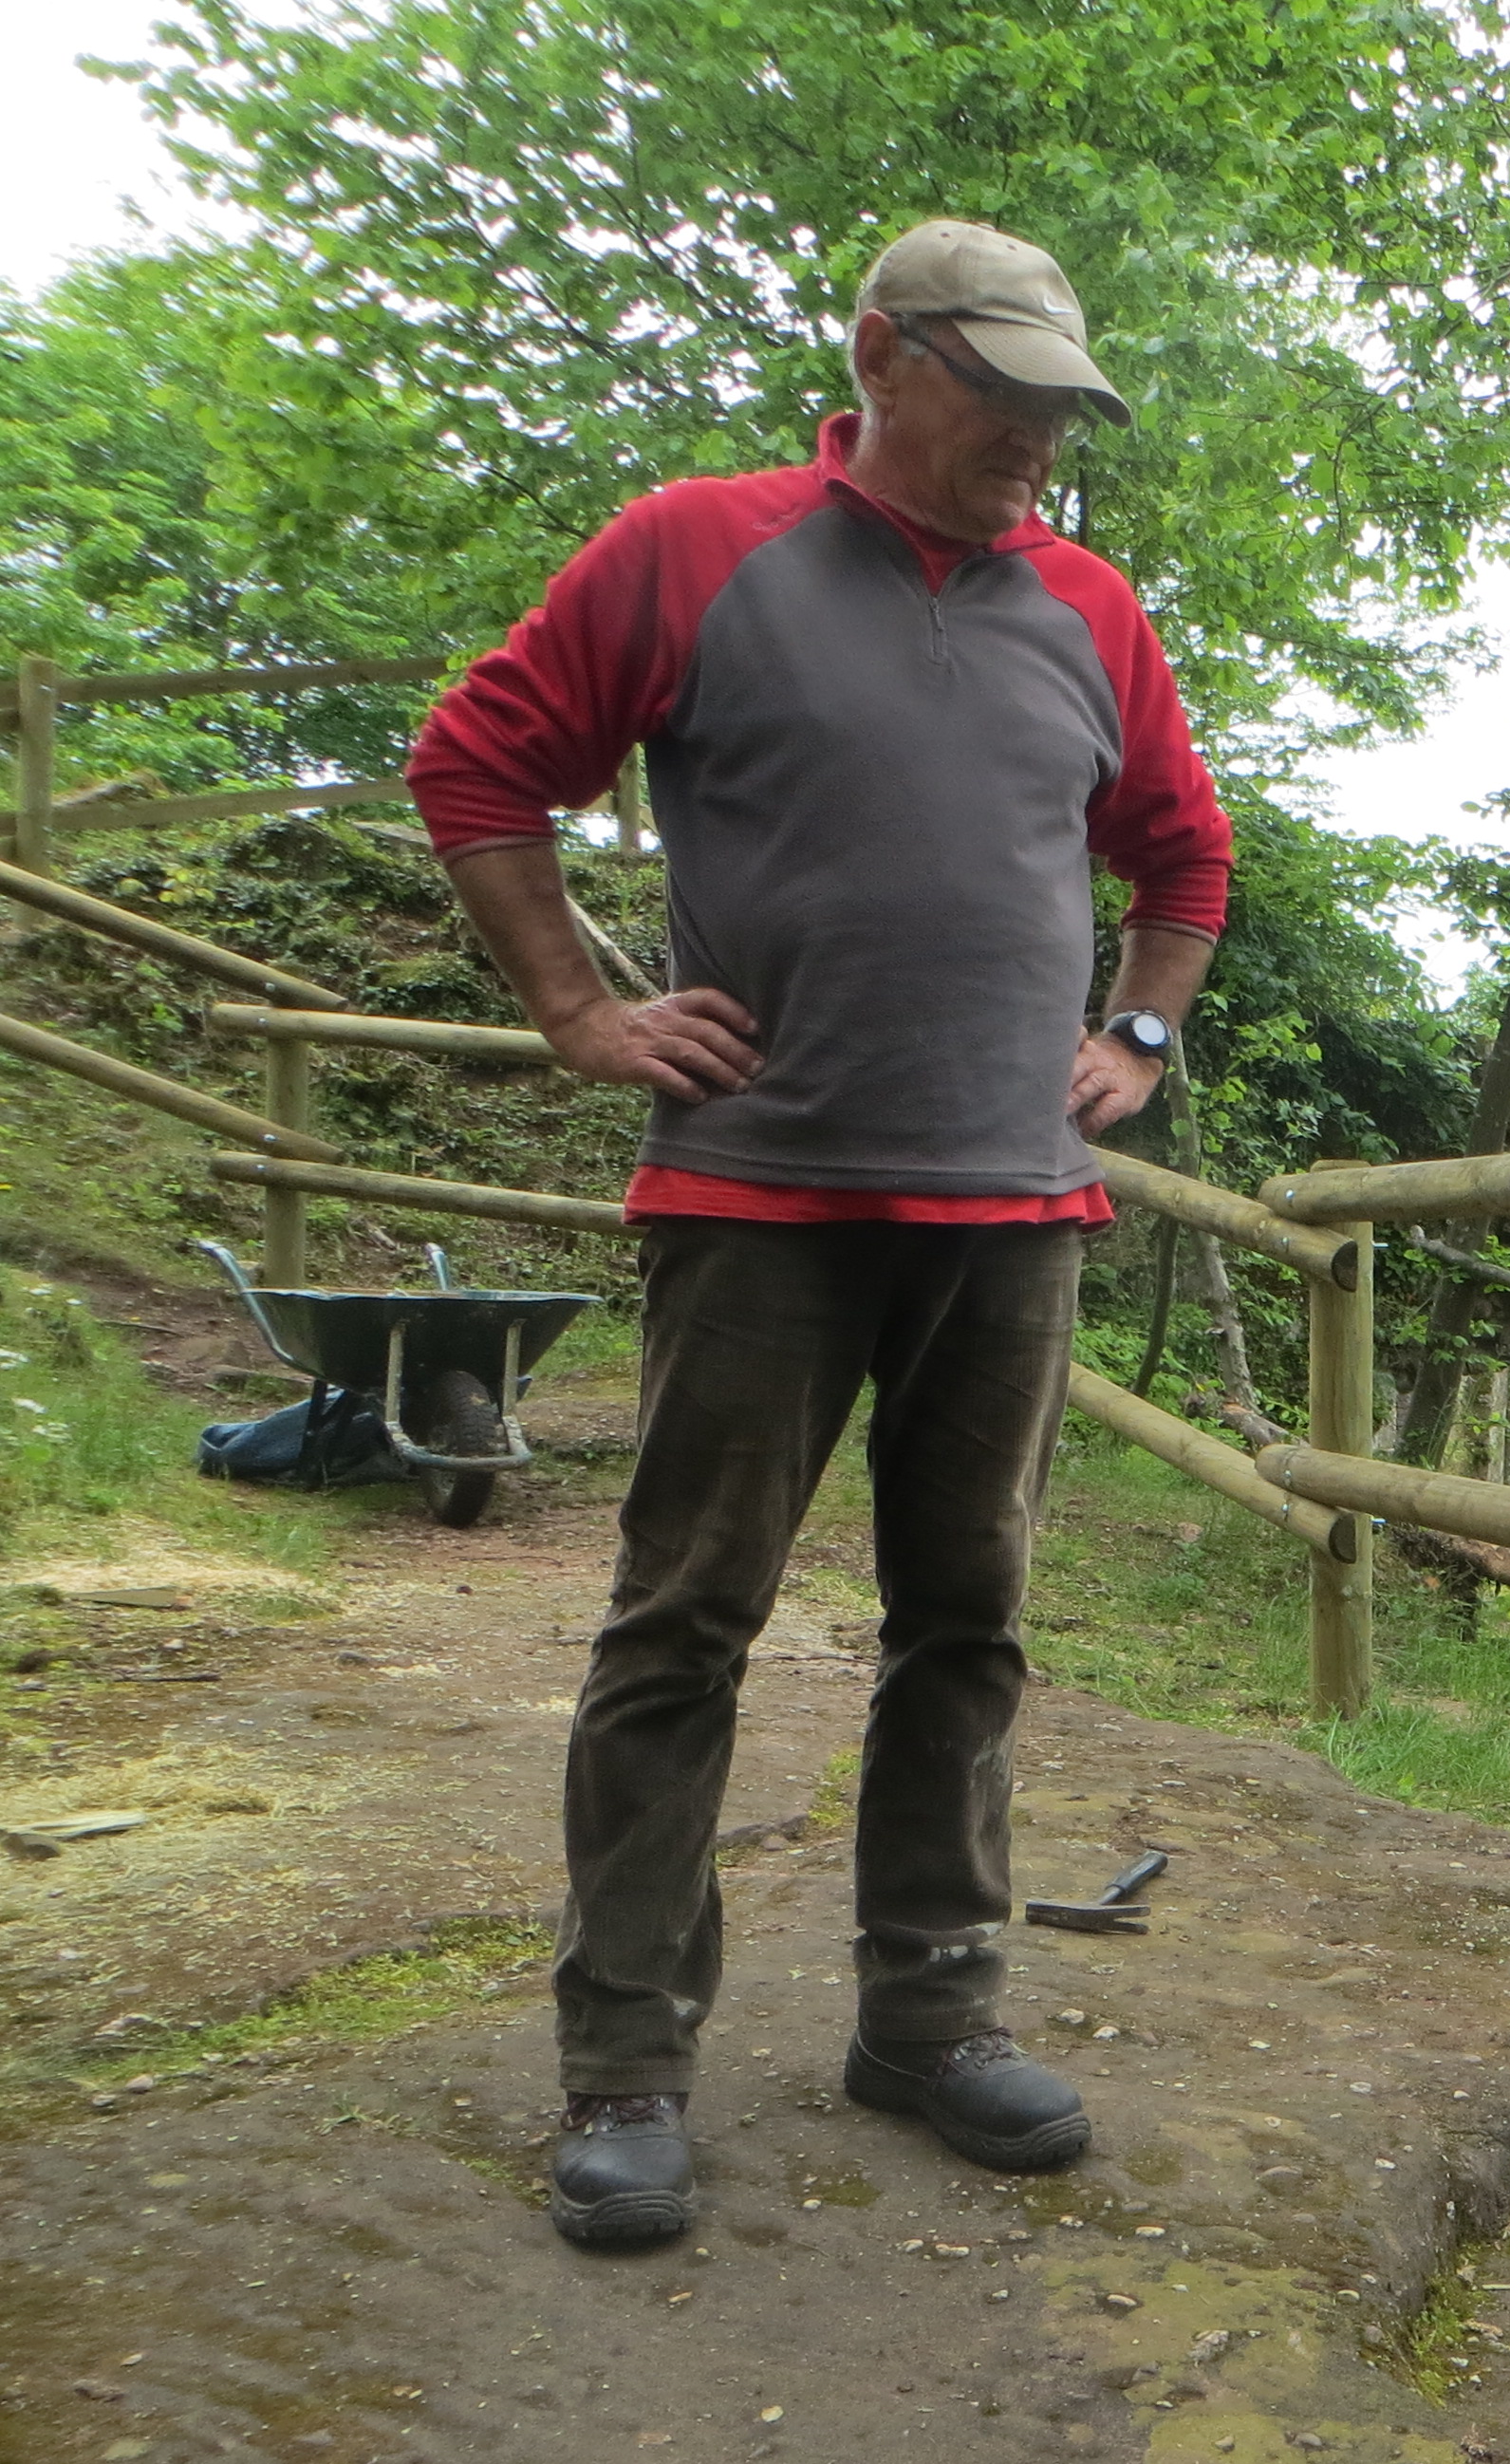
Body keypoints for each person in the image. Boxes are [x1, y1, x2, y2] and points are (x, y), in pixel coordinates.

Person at [407, 220, 1233, 2249]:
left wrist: (1138, 1031)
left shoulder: (1089, 609)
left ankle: (929, 2021)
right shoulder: (698, 548)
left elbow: (1184, 852)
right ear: (881, 356)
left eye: (1060, 407)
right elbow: (477, 764)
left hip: (1011, 1211)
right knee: (684, 1621)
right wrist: (581, 1011)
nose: (1036, 438)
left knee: (969, 1623)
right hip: (761, 1195)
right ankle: (624, 2062)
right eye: (1002, 393)